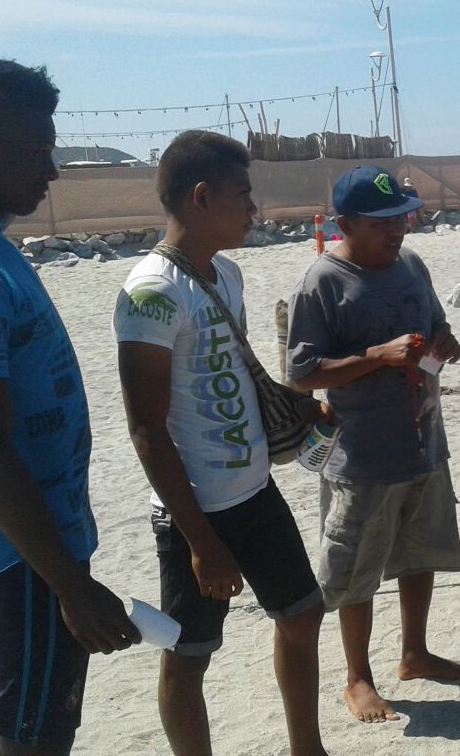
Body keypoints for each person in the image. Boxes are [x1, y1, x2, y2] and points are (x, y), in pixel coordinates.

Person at [0, 55, 139, 755]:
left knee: (15, 723)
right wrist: (72, 585)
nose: (52, 171)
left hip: (26, 542)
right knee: (32, 735)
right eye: (38, 153)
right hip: (24, 553)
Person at [114, 130, 330, 756]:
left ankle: (306, 748)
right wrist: (202, 544)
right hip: (194, 514)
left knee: (302, 613)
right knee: (189, 656)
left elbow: (236, 374)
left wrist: (302, 409)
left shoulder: (226, 274)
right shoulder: (151, 293)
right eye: (244, 195)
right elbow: (147, 431)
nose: (254, 209)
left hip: (253, 491)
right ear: (202, 197)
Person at [286, 165, 460, 724]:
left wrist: (446, 342)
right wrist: (375, 357)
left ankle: (414, 653)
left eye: (403, 217)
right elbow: (300, 373)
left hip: (422, 443)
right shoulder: (322, 282)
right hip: (361, 457)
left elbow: (439, 328)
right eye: (383, 221)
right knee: (356, 568)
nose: (399, 230)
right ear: (344, 223)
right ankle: (357, 678)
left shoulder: (412, 265)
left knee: (420, 554)